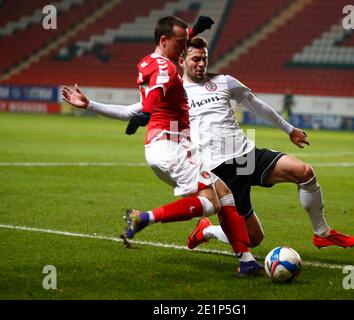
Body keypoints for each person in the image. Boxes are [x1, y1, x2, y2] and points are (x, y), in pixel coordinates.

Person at [62, 16, 265, 277]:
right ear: (164, 41)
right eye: (182, 42)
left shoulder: (151, 61)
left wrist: (90, 105)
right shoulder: (165, 69)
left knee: (223, 192)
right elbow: (153, 95)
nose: (185, 46)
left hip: (163, 148)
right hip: (172, 146)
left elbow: (129, 110)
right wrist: (146, 114)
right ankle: (145, 217)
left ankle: (246, 261)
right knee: (211, 202)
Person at [179, 37, 354, 250]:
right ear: (182, 60)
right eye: (196, 59)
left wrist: (290, 130)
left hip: (247, 155)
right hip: (220, 173)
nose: (201, 64)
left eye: (205, 59)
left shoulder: (224, 81)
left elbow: (257, 105)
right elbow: (149, 111)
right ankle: (206, 230)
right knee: (254, 238)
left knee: (304, 172)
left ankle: (322, 233)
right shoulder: (174, 92)